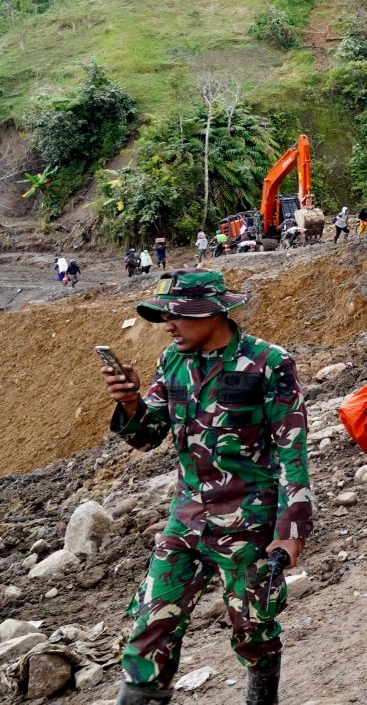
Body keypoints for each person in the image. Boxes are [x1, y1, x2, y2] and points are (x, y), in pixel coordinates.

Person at [99, 269, 311, 705]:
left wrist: (289, 534)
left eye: (177, 315)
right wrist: (131, 403)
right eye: (165, 316)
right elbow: (148, 435)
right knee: (148, 633)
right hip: (186, 521)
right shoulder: (172, 361)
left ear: (213, 312)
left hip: (248, 527)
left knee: (254, 632)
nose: (168, 325)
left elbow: (293, 452)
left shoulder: (268, 363)